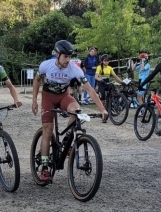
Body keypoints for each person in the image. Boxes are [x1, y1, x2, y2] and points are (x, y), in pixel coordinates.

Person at [32, 40, 108, 182]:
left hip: (63, 96)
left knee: (77, 110)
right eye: (65, 57)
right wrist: (34, 100)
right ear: (57, 54)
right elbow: (37, 80)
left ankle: (67, 140)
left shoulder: (75, 69)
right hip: (48, 98)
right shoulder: (46, 65)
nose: (68, 60)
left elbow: (90, 89)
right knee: (48, 130)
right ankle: (44, 167)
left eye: (70, 57)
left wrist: (102, 109)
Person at [95, 54, 125, 123]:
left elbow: (115, 76)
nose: (106, 62)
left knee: (112, 87)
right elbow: (96, 77)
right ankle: (103, 115)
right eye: (105, 60)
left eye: (108, 60)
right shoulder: (99, 67)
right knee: (102, 100)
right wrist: (100, 80)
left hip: (107, 83)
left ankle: (113, 100)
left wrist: (122, 82)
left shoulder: (110, 68)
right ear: (102, 61)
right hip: (101, 83)